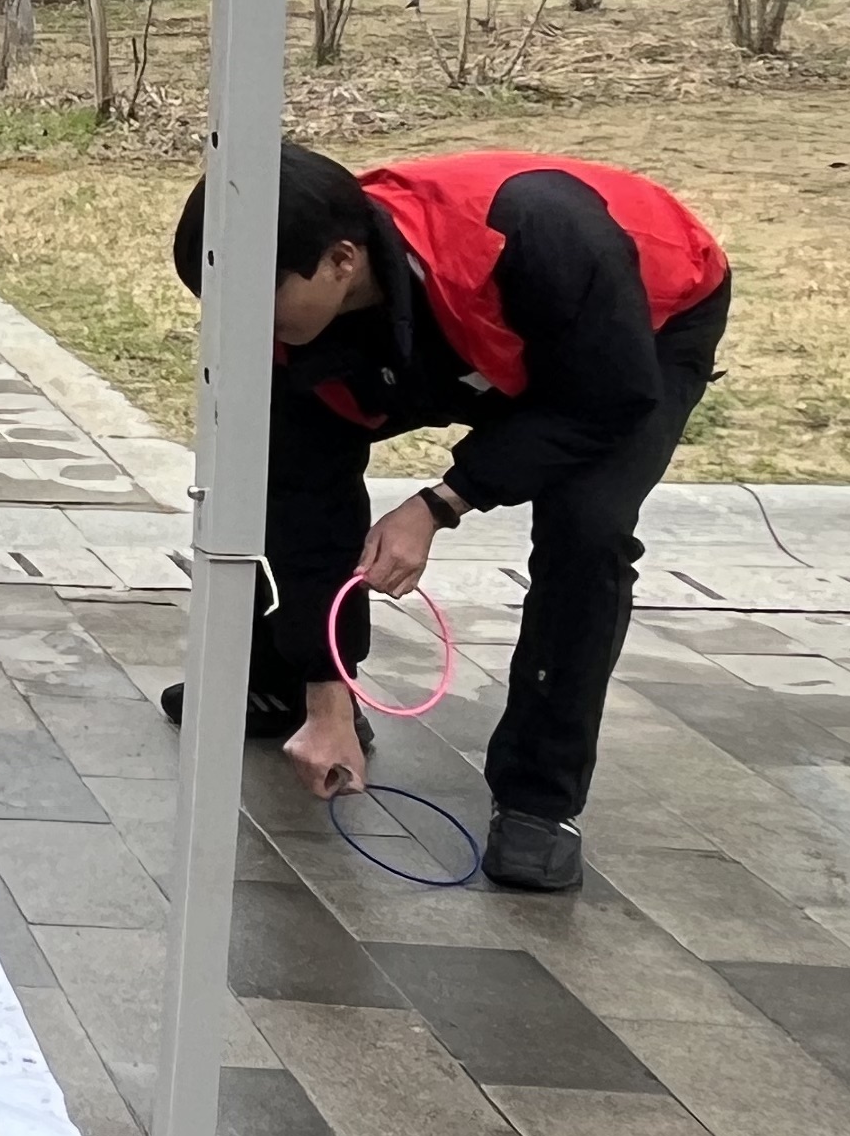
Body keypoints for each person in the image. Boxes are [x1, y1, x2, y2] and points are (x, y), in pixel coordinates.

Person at [168, 141, 732, 894]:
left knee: (587, 529)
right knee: (284, 470)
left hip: (636, 331)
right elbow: (307, 504)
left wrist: (441, 503)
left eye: (254, 302)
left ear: (340, 261)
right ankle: (298, 684)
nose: (240, 328)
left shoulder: (531, 235)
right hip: (456, 334)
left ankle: (538, 799)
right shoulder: (287, 328)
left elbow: (605, 400)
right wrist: (327, 693)